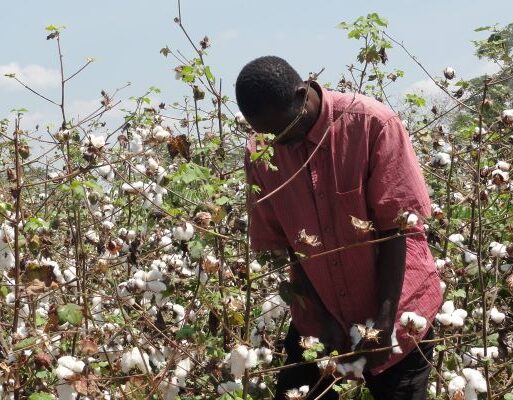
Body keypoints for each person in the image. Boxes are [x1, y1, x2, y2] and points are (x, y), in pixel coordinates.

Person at [236, 56, 443, 400]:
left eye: (284, 129)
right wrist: (320, 320)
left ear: (303, 96)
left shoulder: (371, 123)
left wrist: (384, 321)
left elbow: (397, 228)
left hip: (397, 311)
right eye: (267, 133)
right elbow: (291, 247)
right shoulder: (262, 151)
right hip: (319, 315)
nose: (279, 142)